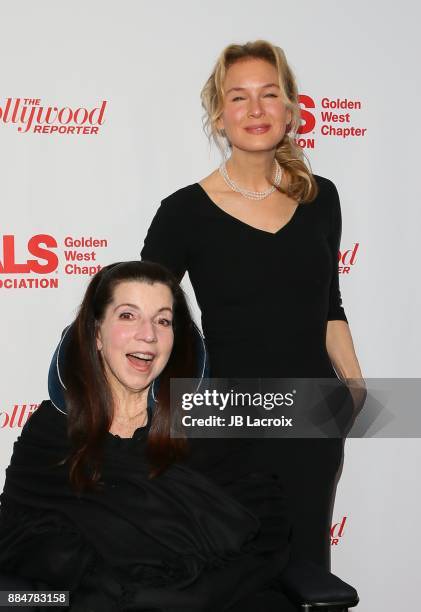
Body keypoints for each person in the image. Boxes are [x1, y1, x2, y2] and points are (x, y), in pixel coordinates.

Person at [141, 40, 366, 570]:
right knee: (232, 578)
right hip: (224, 424)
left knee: (307, 572)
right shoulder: (183, 213)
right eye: (238, 98)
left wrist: (354, 387)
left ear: (290, 110)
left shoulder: (320, 198)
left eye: (269, 94)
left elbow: (329, 302)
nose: (256, 109)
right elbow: (144, 316)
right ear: (219, 116)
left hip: (311, 419)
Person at [0, 261, 295, 612]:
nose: (148, 335)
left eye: (163, 320)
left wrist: (185, 599)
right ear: (96, 333)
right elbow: (18, 534)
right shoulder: (51, 430)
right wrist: (107, 586)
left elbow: (265, 537)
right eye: (128, 316)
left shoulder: (213, 425)